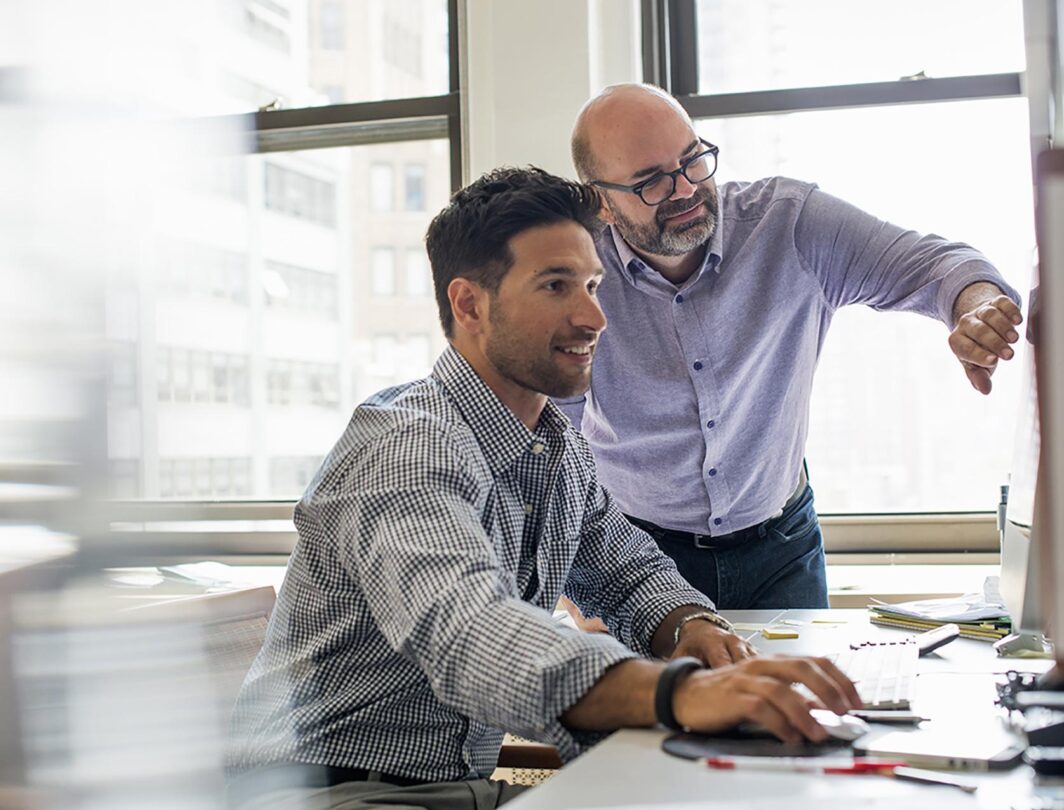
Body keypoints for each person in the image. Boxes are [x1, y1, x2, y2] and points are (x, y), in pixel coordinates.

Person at [227, 167, 860, 810]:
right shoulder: (407, 446)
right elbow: (470, 634)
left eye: (592, 285)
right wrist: (681, 693)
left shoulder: (555, 446)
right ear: (469, 305)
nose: (594, 317)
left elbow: (629, 574)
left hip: (470, 785)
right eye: (556, 286)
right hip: (330, 790)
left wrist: (694, 630)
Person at [563, 83, 1024, 610]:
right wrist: (587, 574)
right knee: (657, 697)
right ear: (601, 200)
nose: (686, 189)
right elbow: (556, 435)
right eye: (651, 182)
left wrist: (975, 306)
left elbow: (936, 264)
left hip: (781, 550)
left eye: (693, 161)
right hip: (637, 556)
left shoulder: (788, 224)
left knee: (801, 694)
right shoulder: (576, 276)